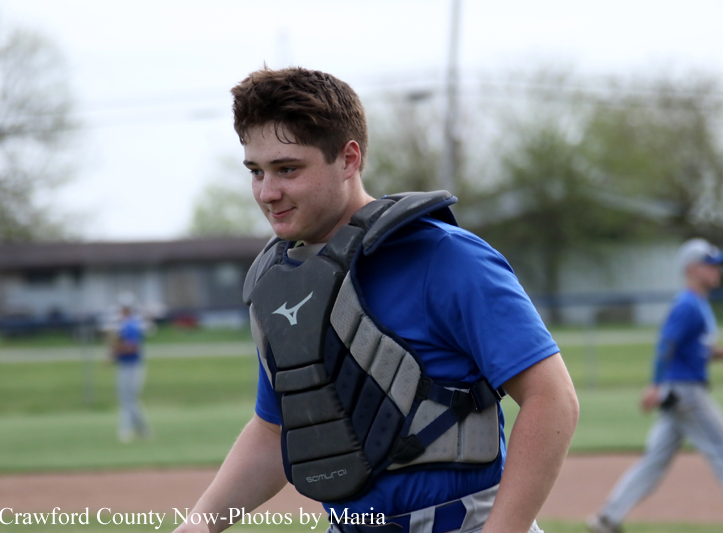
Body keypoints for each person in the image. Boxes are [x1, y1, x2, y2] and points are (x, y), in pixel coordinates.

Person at [174, 67, 579, 533]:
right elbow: (275, 430)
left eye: (288, 169)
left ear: (349, 159)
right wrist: (200, 525)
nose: (268, 193)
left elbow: (552, 398)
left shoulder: (444, 256)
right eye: (256, 171)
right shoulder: (278, 283)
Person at [587, 238, 723, 533]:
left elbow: (703, 352)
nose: (718, 270)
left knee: (654, 461)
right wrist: (654, 384)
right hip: (686, 392)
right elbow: (666, 344)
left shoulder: (699, 305)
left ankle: (607, 519)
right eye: (711, 265)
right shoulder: (687, 305)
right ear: (692, 268)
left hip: (681, 392)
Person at [108, 293, 151, 443]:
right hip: (125, 365)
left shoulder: (131, 325)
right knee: (128, 400)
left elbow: (132, 347)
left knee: (128, 400)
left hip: (132, 365)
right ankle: (143, 429)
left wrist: (116, 349)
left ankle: (126, 429)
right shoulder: (122, 326)